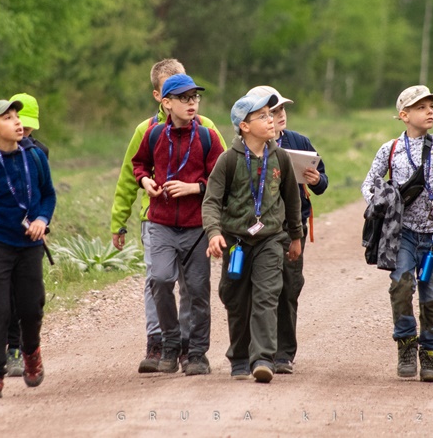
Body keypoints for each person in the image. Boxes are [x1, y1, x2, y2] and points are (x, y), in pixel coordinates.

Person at [110, 59, 226, 373]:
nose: (191, 102)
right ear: (164, 101)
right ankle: (165, 343)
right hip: (158, 221)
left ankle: (194, 352)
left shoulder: (208, 133)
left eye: (194, 96)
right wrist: (143, 183)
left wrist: (194, 189)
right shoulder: (150, 133)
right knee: (159, 280)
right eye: (183, 97)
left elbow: (223, 176)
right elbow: (134, 169)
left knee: (196, 289)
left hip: (196, 224)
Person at [361, 85, 433, 382]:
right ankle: (406, 343)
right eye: (421, 107)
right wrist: (381, 203)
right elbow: (369, 184)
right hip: (403, 234)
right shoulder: (390, 149)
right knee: (400, 284)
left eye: (431, 107)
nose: (430, 112)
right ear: (404, 115)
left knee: (432, 296)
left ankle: (432, 354)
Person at [202, 92, 303, 383]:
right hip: (236, 241)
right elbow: (211, 201)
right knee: (236, 300)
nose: (271, 120)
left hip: (270, 239)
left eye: (271, 114)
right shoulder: (228, 160)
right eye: (262, 116)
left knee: (267, 295)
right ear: (244, 126)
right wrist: (214, 233)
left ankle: (262, 358)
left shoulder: (280, 157)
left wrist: (295, 236)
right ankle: (239, 358)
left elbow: (292, 200)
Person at [0, 99, 56, 399]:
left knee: (31, 307)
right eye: (7, 118)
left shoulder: (36, 157)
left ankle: (31, 352)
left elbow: (48, 195)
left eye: (17, 116)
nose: (18, 122)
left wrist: (42, 219)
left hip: (30, 245)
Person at [245, 85, 328, 375]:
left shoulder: (300, 142)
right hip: (255, 229)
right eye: (271, 111)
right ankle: (256, 351)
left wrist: (316, 180)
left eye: (281, 109)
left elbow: (323, 182)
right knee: (256, 289)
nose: (279, 115)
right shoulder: (245, 148)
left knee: (289, 288)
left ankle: (284, 354)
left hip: (292, 227)